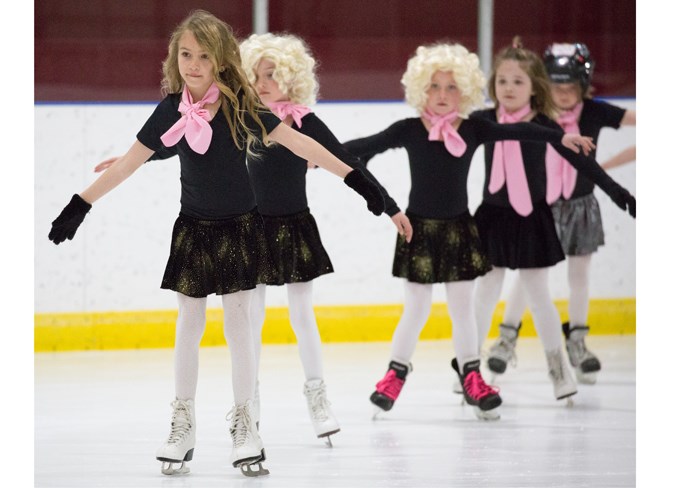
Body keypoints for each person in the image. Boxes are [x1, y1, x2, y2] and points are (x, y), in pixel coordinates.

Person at [48, 10, 386, 478]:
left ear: (222, 60)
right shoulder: (172, 107)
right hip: (193, 227)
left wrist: (359, 182)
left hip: (241, 229)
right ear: (175, 56)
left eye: (203, 56)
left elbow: (302, 145)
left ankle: (245, 423)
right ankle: (182, 422)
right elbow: (129, 162)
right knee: (188, 322)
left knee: (239, 324)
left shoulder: (241, 103)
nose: (192, 64)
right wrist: (80, 205)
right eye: (185, 54)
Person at [342, 42, 602, 420]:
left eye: (451, 87)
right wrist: (319, 157)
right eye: (434, 87)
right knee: (415, 310)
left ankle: (472, 377)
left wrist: (560, 138)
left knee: (463, 311)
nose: (443, 95)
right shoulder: (410, 130)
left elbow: (524, 132)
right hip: (419, 233)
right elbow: (362, 148)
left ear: (464, 90)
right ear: (420, 89)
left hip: (460, 231)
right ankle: (395, 373)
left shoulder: (476, 128)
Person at [237, 32, 411, 445]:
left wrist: (388, 206)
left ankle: (318, 398)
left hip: (295, 225)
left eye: (274, 74)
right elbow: (190, 144)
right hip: (250, 227)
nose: (264, 82)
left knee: (302, 314)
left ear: (293, 78)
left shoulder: (303, 122)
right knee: (249, 320)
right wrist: (139, 156)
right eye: (258, 74)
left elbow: (348, 164)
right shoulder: (238, 117)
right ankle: (248, 403)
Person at [471, 38, 635, 403]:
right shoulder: (481, 121)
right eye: (502, 81)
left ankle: (558, 367)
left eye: (518, 82)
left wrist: (616, 191)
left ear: (533, 87)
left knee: (539, 294)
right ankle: (470, 368)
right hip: (492, 216)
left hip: (533, 218)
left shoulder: (546, 124)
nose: (509, 89)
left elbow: (582, 163)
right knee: (485, 293)